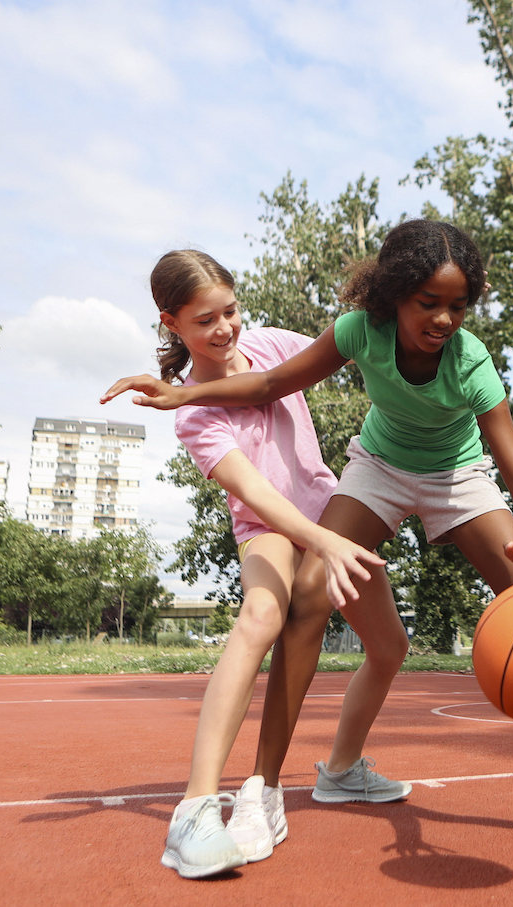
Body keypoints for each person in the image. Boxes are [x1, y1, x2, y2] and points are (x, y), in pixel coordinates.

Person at [102, 221, 513, 852]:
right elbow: (267, 384)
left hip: (457, 475)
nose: (444, 318)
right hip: (379, 468)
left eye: (458, 305)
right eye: (428, 303)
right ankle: (263, 790)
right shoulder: (359, 332)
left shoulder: (471, 362)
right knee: (309, 594)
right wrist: (180, 395)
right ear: (393, 295)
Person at [108, 250, 411, 880]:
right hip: (270, 530)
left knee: (389, 647)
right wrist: (322, 541)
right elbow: (258, 495)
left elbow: (351, 340)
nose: (224, 329)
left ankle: (343, 770)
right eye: (204, 321)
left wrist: (407, 290)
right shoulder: (191, 409)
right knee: (262, 616)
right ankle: (194, 809)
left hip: (330, 511)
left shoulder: (273, 345)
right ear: (171, 323)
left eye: (230, 311)